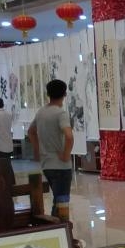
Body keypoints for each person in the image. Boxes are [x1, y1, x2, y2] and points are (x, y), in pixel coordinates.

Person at [29, 80, 74, 220]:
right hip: (61, 166)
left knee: (57, 200)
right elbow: (69, 136)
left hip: (46, 164)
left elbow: (31, 132)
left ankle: (57, 227)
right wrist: (66, 155)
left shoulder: (41, 112)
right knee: (62, 202)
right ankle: (61, 228)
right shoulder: (60, 113)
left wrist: (37, 149)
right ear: (65, 94)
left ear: (48, 94)